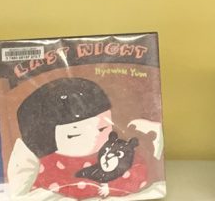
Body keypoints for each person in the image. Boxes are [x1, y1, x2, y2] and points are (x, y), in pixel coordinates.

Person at [15, 78, 149, 199]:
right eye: (74, 135)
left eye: (102, 128)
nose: (94, 136)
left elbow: (138, 173)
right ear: (48, 140)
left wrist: (112, 188)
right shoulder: (48, 165)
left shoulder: (117, 151)